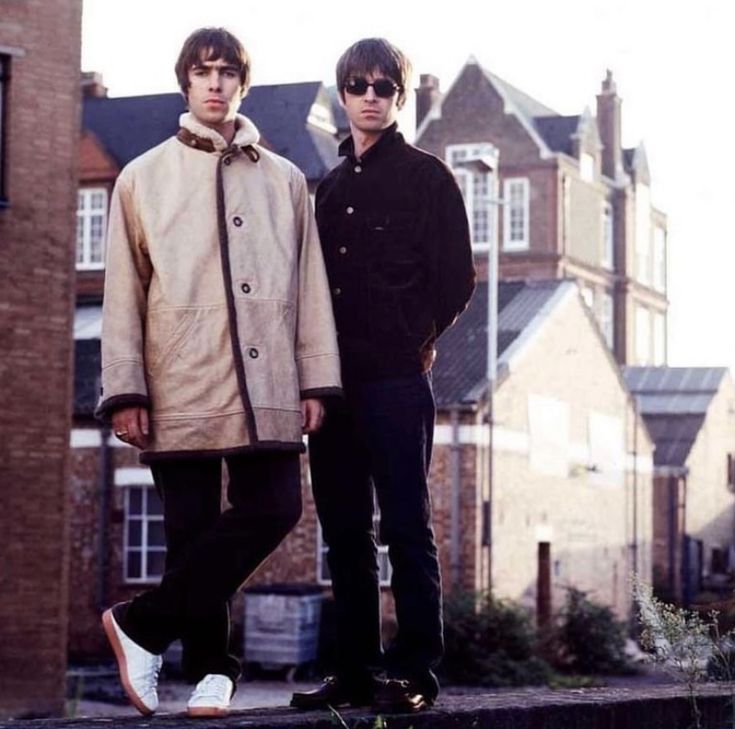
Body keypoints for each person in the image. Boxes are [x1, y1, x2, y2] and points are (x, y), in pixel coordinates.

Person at [96, 27, 341, 718]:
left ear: (242, 83)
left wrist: (315, 380)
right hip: (177, 379)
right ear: (184, 82)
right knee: (191, 531)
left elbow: (310, 286)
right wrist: (125, 388)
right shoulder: (141, 177)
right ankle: (211, 673)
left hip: (267, 381)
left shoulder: (286, 178)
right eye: (201, 72)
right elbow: (122, 291)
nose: (214, 83)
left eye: (226, 72)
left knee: (278, 506)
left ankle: (141, 625)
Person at [290, 38, 475, 714]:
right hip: (334, 384)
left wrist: (413, 338)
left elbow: (456, 278)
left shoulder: (428, 177)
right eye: (358, 84)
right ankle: (355, 671)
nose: (371, 95)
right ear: (343, 94)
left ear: (400, 97)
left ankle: (415, 672)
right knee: (343, 530)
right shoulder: (329, 188)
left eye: (384, 86)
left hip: (396, 379)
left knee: (404, 523)